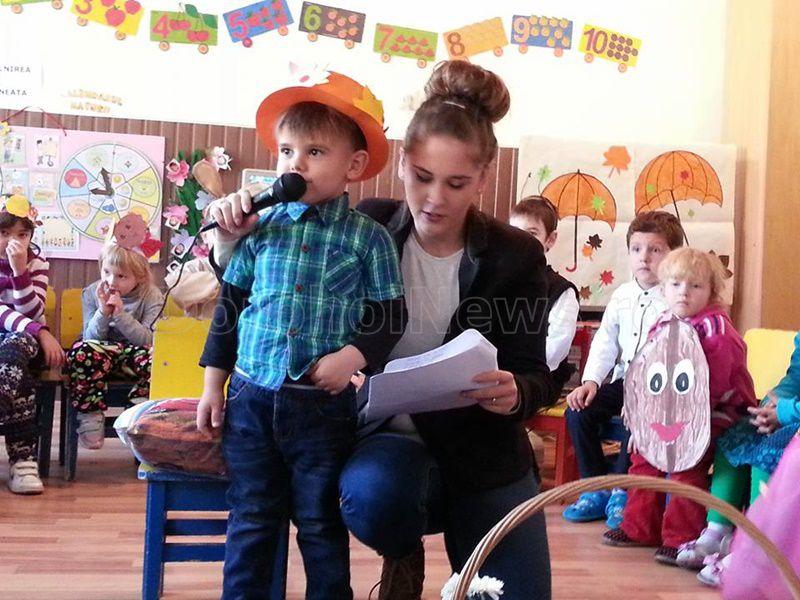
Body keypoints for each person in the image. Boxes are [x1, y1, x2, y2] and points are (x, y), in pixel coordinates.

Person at [208, 60, 555, 599]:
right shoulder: (365, 227)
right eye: (422, 177)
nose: (435, 199)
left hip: (483, 450)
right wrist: (230, 236)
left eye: (457, 183)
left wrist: (517, 393)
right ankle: (402, 551)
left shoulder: (516, 255)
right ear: (402, 167)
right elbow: (263, 293)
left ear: (484, 178)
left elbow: (538, 374)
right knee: (372, 497)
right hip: (387, 443)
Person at [198, 69, 405, 599]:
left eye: (314, 152)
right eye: (287, 151)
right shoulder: (259, 229)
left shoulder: (369, 239)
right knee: (251, 518)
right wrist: (212, 385)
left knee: (318, 523)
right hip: (251, 399)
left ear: (353, 166)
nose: (296, 164)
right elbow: (230, 308)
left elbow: (390, 315)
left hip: (321, 408)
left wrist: (353, 356)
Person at [603, 248, 757, 565]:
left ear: (711, 291)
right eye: (675, 284)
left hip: (716, 413)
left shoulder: (716, 329)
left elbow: (713, 386)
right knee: (643, 456)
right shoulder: (662, 323)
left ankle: (681, 537)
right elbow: (647, 373)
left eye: (695, 286)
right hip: (671, 413)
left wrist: (680, 429)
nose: (684, 292)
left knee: (686, 465)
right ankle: (639, 528)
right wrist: (644, 422)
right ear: (663, 288)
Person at [562, 211, 684, 528]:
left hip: (657, 389)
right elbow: (606, 341)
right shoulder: (621, 295)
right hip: (623, 381)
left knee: (637, 417)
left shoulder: (676, 299)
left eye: (655, 250)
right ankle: (594, 487)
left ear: (673, 255)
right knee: (578, 411)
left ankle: (622, 489)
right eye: (636, 249)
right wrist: (591, 381)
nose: (644, 257)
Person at [675, 330, 800, 586]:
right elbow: (795, 377)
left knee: (771, 448)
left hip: (794, 421)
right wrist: (772, 403)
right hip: (789, 412)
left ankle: (758, 547)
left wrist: (785, 412)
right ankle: (718, 531)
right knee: (738, 434)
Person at [65, 219, 163, 450]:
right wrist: (103, 312)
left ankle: (136, 413)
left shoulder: (151, 295)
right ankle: (90, 414)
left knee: (159, 359)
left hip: (135, 356)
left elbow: (149, 340)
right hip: (100, 355)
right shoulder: (92, 292)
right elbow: (90, 338)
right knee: (80, 351)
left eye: (121, 276)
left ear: (139, 277)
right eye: (106, 272)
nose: (111, 281)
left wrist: (120, 315)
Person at [0, 194, 64, 494]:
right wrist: (41, 331)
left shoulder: (36, 263)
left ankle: (23, 462)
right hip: (25, 339)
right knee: (19, 375)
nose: (13, 241)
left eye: (22, 235)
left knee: (16, 347)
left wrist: (19, 271)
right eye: (4, 232)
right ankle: (23, 461)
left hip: (22, 342)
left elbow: (31, 311)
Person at [510, 196, 579, 402]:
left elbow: (554, 350)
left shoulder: (562, 290)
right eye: (515, 232)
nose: (521, 240)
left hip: (540, 377)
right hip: (499, 370)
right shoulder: (498, 280)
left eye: (532, 234)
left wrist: (513, 374)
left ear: (550, 239)